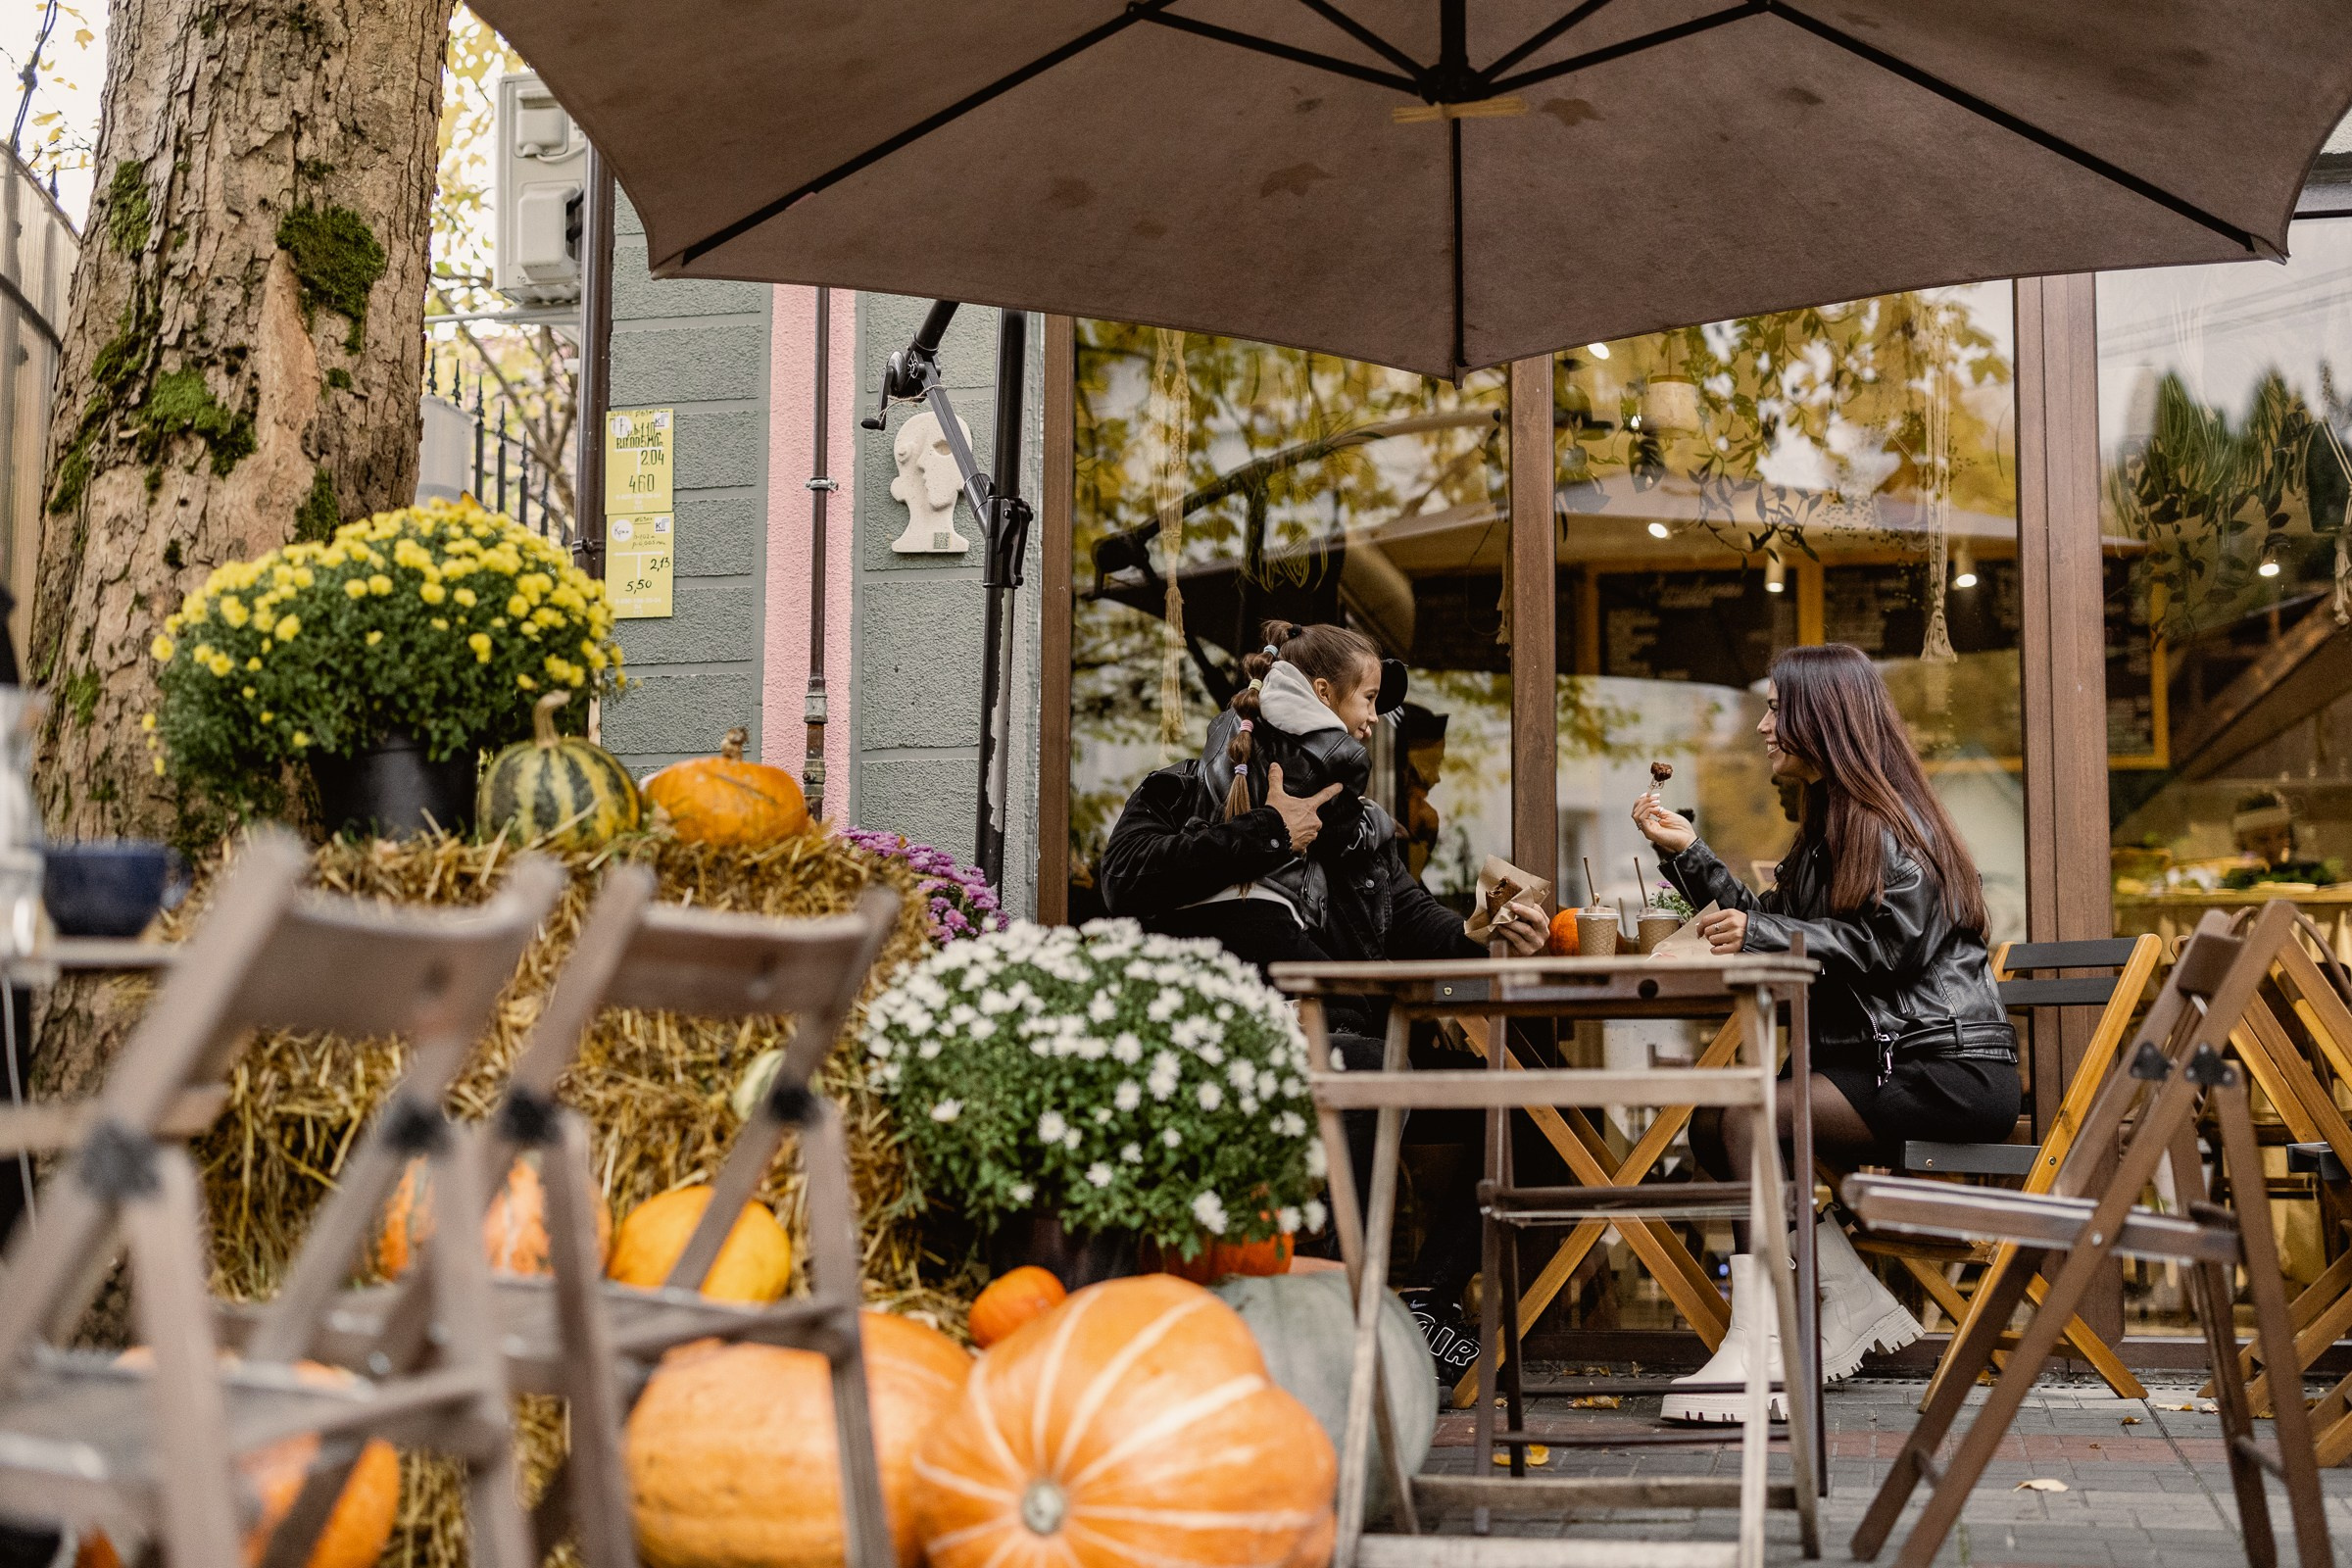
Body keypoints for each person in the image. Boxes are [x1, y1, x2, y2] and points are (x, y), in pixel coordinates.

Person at [1099, 619, 1548, 1363]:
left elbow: (1413, 923)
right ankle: (1342, 1322)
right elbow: (1124, 880)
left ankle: (1426, 1303)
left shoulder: (1363, 829)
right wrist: (1270, 830)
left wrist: (1478, 930)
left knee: (1523, 1099)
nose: (1375, 719)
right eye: (1367, 699)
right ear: (1320, 695)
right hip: (1229, 1052)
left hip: (1346, 1043)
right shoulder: (1184, 787)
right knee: (1370, 1070)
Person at [1632, 643, 2018, 1423]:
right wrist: (1690, 857)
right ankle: (1841, 1295)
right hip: (1882, 1066)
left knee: (1747, 1116)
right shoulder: (1828, 831)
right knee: (1717, 1126)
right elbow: (1777, 926)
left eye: (1779, 708)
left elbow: (1887, 948)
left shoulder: (1887, 827)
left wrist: (1762, 935)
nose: (1766, 726)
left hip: (1944, 1070)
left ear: (1824, 719)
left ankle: (1764, 1342)